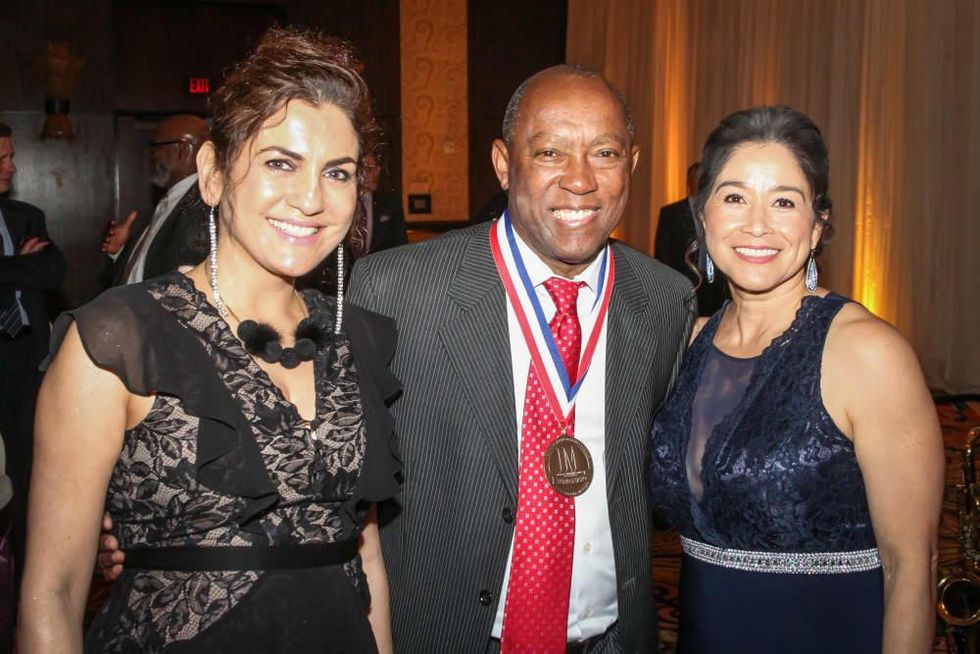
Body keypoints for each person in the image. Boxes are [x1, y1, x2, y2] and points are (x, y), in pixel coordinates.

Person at [19, 27, 400, 653]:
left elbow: (369, 563)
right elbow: (53, 592)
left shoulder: (357, 336)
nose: (310, 198)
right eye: (281, 162)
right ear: (213, 174)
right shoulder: (118, 339)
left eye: (338, 172)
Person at [349, 66, 692, 652]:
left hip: (613, 638)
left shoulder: (664, 300)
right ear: (505, 163)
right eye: (550, 152)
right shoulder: (396, 291)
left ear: (631, 164)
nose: (580, 180)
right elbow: (349, 489)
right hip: (451, 636)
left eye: (604, 153)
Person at [648, 106, 943, 653]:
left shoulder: (867, 353)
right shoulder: (684, 344)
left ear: (818, 224)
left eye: (784, 201)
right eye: (735, 197)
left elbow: (912, 568)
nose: (757, 224)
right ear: (701, 215)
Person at [0, 121, 67, 583]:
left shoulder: (26, 216)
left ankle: (23, 581)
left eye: (11, 155)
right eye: (2, 158)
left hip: (25, 361)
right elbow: (31, 271)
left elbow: (53, 272)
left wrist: (21, 267)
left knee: (28, 476)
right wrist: (19, 265)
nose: (12, 166)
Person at [104, 114, 211, 285]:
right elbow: (150, 266)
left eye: (156, 148)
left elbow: (185, 284)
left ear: (183, 150)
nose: (152, 156)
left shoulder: (202, 206)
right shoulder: (172, 199)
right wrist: (121, 251)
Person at [654, 162, 728, 316]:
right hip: (684, 286)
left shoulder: (721, 211)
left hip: (717, 289)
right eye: (698, 179)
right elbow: (663, 254)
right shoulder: (671, 213)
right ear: (689, 182)